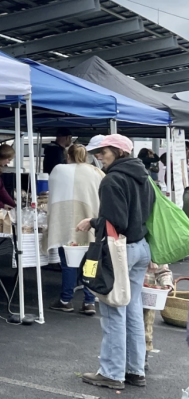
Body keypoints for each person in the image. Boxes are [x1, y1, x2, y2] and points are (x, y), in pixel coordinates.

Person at [76, 134, 153, 390]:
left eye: (104, 151)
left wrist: (94, 221)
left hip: (119, 249)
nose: (99, 155)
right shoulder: (144, 176)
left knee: (113, 311)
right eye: (97, 151)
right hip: (141, 247)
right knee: (132, 311)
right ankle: (135, 370)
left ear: (118, 151)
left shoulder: (112, 180)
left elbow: (114, 222)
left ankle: (111, 372)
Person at [47, 143, 104, 315]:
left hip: (65, 223)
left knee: (68, 264)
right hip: (91, 221)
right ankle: (89, 301)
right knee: (90, 262)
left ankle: (66, 300)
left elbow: (52, 193)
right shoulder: (96, 172)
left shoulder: (58, 169)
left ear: (68, 155)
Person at [143, 262, 173, 370]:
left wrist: (166, 284)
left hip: (149, 294)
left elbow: (164, 271)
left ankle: (143, 357)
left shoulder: (156, 252)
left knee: (147, 324)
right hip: (131, 291)